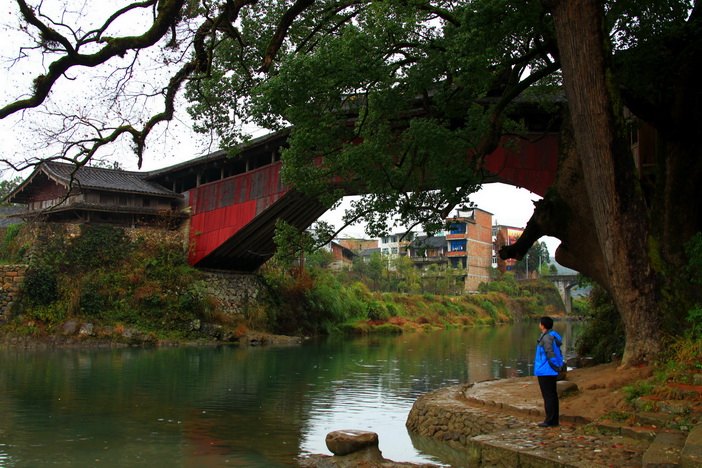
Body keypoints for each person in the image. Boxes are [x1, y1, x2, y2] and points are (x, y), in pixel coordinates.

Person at [534, 316, 564, 427]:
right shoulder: (552, 336)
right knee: (552, 395)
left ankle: (550, 421)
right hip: (549, 370)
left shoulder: (547, 338)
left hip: (546, 370)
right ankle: (553, 420)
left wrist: (555, 366)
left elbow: (550, 353)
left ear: (542, 325)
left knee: (548, 396)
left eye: (540, 323)